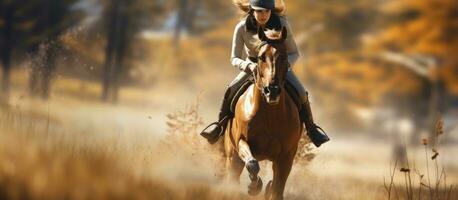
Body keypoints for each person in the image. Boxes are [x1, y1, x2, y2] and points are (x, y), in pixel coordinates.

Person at [200, 0, 330, 147]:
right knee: (230, 90)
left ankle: (312, 130)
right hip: (253, 66)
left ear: (271, 11)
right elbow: (234, 58)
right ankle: (219, 127)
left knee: (301, 92)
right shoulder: (242, 28)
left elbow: (294, 53)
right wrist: (248, 65)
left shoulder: (282, 24)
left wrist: (284, 66)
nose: (263, 15)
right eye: (260, 11)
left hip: (278, 66)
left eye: (267, 11)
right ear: (252, 10)